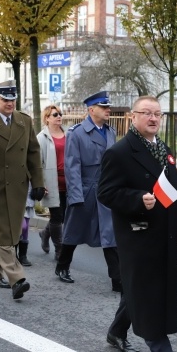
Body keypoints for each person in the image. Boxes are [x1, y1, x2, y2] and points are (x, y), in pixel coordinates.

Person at [98, 95, 177, 352]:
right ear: (132, 117)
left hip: (165, 233)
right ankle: (159, 345)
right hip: (139, 235)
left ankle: (116, 331)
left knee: (141, 287)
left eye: (157, 114)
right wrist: (137, 199)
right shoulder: (119, 151)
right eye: (146, 113)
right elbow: (105, 192)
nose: (153, 118)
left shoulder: (163, 148)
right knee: (147, 294)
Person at [0, 80, 45, 300]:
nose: (10, 103)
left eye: (13, 99)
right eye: (5, 99)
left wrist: (38, 182)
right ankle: (17, 278)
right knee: (3, 234)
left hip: (18, 186)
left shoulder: (24, 121)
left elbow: (33, 153)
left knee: (11, 232)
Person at [54, 91, 122, 293]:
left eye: (108, 107)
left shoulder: (110, 132)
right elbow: (72, 166)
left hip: (106, 191)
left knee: (110, 236)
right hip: (85, 190)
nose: (108, 110)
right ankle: (62, 266)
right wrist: (76, 196)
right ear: (91, 110)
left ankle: (117, 279)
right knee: (73, 232)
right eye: (104, 107)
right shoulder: (76, 133)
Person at [37, 105, 66, 260]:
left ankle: (44, 233)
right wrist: (41, 183)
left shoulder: (69, 133)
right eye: (55, 114)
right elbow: (38, 163)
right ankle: (59, 250)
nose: (59, 116)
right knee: (56, 217)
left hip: (68, 182)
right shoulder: (41, 137)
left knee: (64, 216)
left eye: (60, 114)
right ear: (47, 117)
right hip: (52, 183)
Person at [17, 184, 35, 266]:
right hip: (17, 195)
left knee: (26, 228)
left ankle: (23, 256)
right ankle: (12, 253)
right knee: (22, 227)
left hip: (29, 196)